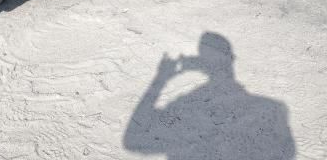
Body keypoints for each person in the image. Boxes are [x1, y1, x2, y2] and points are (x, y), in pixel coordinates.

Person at [123, 32, 295, 160]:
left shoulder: (184, 105)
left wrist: (161, 78)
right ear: (232, 59)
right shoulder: (273, 107)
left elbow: (132, 140)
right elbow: (287, 151)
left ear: (202, 64)